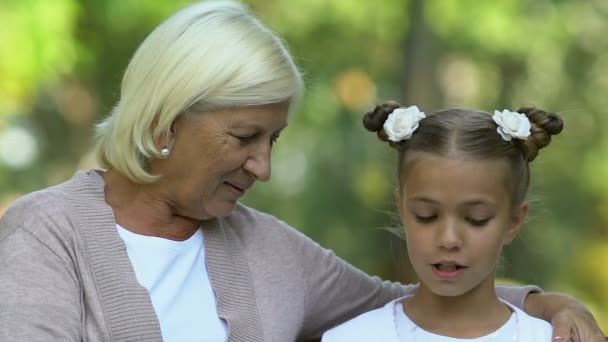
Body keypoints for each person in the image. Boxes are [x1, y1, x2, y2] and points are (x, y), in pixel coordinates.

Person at [0, 1, 604, 341]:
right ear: (166, 120)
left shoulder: (265, 248)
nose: (263, 166)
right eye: (245, 137)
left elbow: (416, 302)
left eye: (275, 139)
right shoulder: (46, 238)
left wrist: (547, 305)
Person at [321, 103, 603, 341]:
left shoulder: (547, 338)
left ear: (514, 221)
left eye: (476, 219)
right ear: (402, 210)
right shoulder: (353, 337)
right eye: (426, 216)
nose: (449, 239)